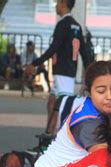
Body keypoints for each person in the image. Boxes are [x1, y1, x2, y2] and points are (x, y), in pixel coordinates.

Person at [26, 0, 91, 135]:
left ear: (63, 3)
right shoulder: (77, 26)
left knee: (64, 106)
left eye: (57, 3)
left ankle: (65, 138)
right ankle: (49, 134)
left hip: (62, 71)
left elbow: (53, 48)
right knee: (51, 103)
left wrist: (35, 63)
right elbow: (84, 53)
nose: (55, 5)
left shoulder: (62, 24)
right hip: (68, 70)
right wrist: (90, 71)